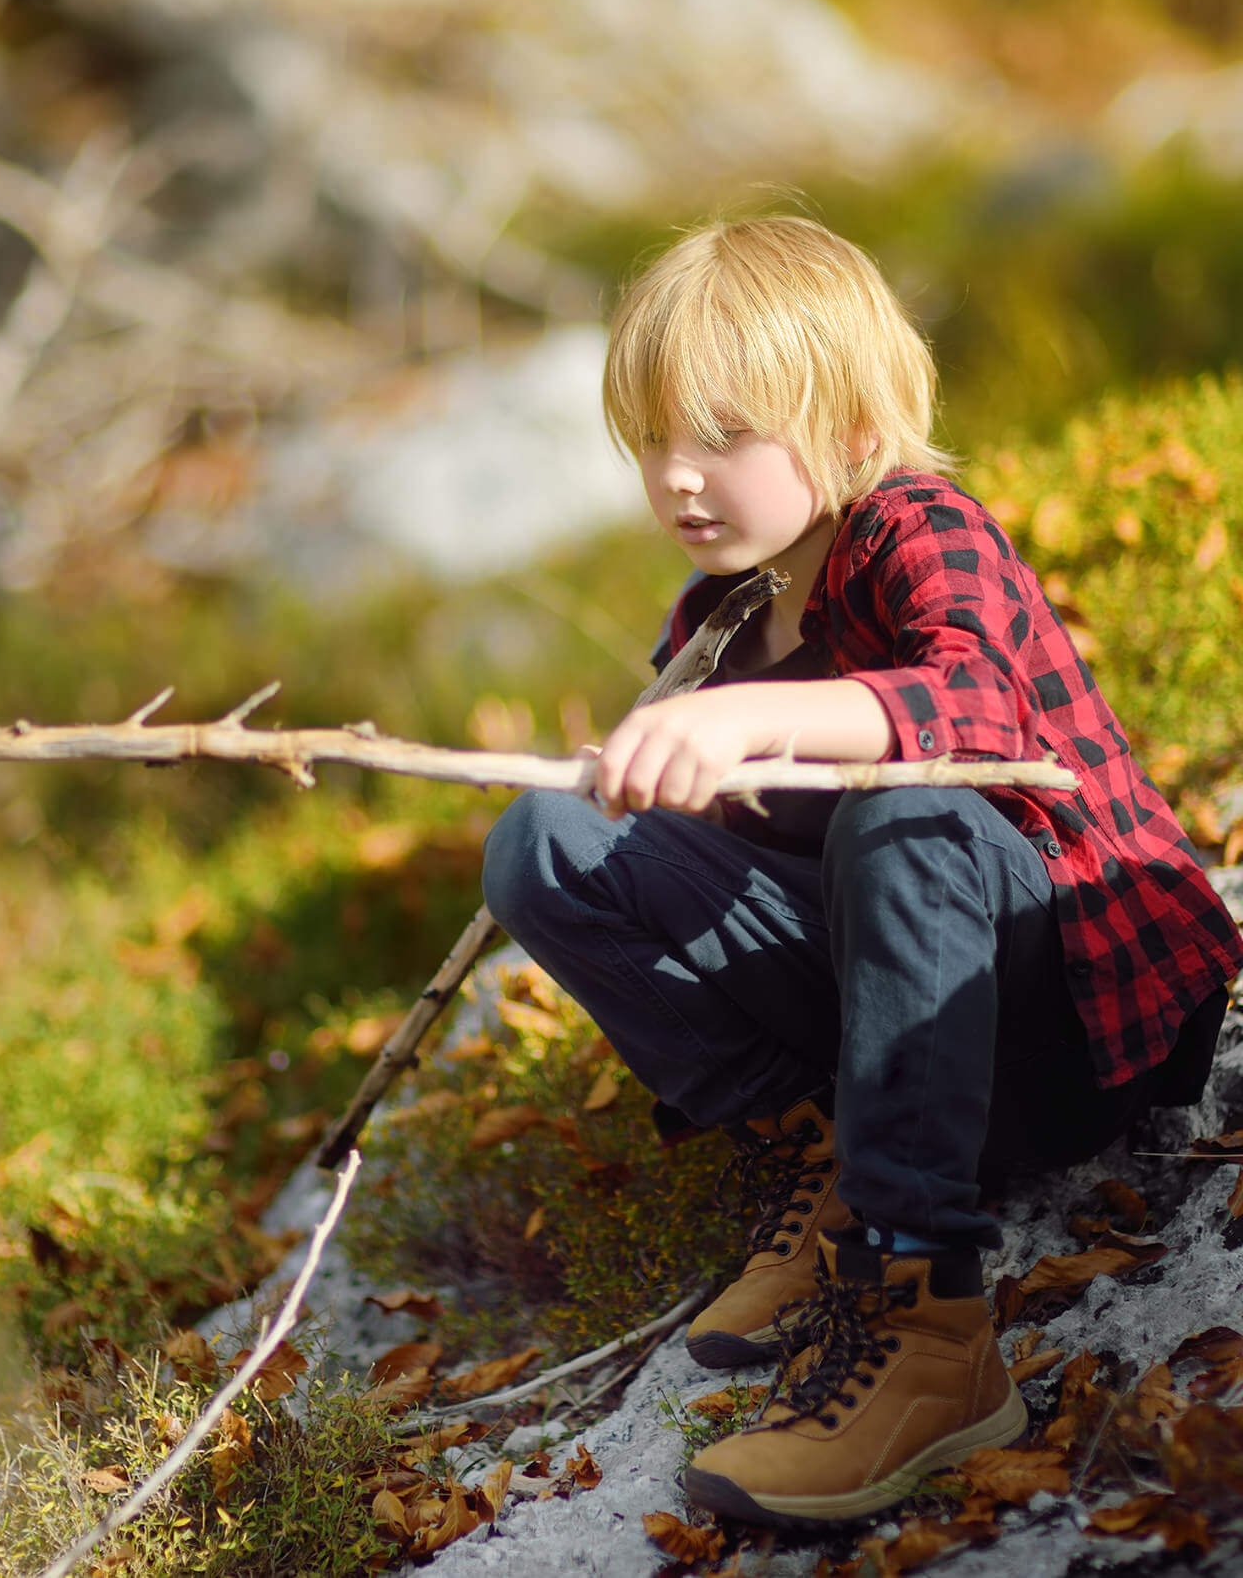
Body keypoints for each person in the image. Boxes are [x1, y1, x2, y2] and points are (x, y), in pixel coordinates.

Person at [479, 214, 1242, 1529]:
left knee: (905, 812)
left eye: (722, 437)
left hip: (1070, 1025)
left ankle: (931, 1322)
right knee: (547, 838)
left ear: (844, 432)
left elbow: (975, 706)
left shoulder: (914, 530)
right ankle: (821, 1144)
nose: (678, 478)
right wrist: (682, 774)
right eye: (652, 440)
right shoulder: (714, 619)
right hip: (910, 1029)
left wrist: (749, 726)